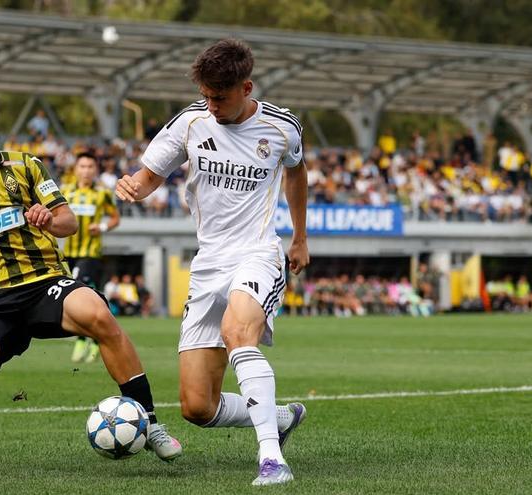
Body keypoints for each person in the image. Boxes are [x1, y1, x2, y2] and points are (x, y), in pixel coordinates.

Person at [0, 87, 181, 486]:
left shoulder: (26, 167)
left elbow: (68, 222)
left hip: (44, 283)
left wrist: (47, 219)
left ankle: (150, 423)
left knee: (98, 314)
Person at [115, 39, 309, 486]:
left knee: (238, 331)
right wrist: (135, 188)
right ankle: (278, 416)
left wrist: (299, 237)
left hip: (258, 252)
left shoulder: (282, 127)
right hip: (207, 263)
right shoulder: (190, 122)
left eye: (219, 97)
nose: (211, 105)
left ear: (246, 87)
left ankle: (272, 460)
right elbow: (149, 177)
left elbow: (297, 172)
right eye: (205, 95)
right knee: (197, 407)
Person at [62, 152, 121, 363]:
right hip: (69, 253)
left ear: (95, 170)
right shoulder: (65, 191)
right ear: (75, 169)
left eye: (90, 167)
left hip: (91, 253)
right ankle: (96, 337)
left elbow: (115, 218)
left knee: (78, 291)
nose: (86, 170)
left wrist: (103, 226)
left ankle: (82, 337)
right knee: (91, 297)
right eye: (82, 166)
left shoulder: (102, 193)